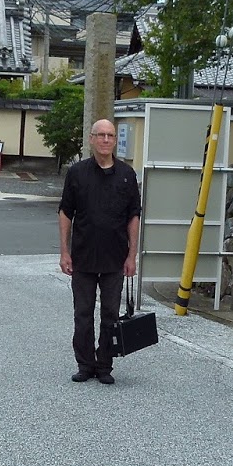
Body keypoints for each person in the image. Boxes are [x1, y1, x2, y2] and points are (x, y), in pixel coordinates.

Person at [58, 118, 142, 384]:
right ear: (91, 139)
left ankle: (105, 365)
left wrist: (132, 256)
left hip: (115, 257)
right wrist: (64, 251)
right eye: (101, 135)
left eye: (110, 135)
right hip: (82, 256)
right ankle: (85, 364)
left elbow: (134, 216)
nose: (106, 140)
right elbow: (65, 212)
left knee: (110, 315)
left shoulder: (127, 175)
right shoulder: (77, 173)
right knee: (82, 315)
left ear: (115, 140)